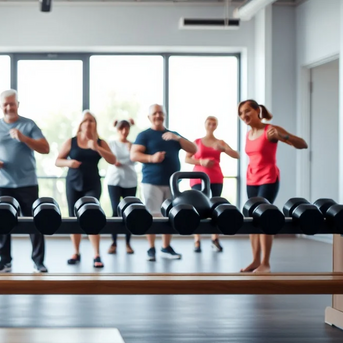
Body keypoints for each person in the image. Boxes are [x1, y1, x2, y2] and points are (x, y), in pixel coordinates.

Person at [0, 89, 50, 273]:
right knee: (1, 222)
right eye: (5, 104)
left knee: (35, 222)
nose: (9, 107)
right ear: (0, 106)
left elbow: (45, 148)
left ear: (18, 104)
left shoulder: (28, 125)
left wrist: (24, 138)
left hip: (27, 183)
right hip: (1, 184)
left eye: (12, 103)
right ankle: (4, 260)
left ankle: (38, 262)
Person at [238, 100, 308, 273]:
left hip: (268, 179)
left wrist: (284, 137)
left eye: (247, 111)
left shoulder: (270, 130)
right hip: (251, 180)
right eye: (240, 113)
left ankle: (265, 263)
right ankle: (255, 261)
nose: (244, 116)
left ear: (256, 111)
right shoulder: (248, 134)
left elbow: (302, 144)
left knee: (265, 218)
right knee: (252, 220)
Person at [130, 104, 197, 261]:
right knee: (152, 215)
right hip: (151, 182)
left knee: (170, 215)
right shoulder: (144, 135)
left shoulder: (173, 135)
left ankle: (166, 247)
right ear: (149, 117)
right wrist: (151, 158)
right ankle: (151, 248)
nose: (158, 116)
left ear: (165, 115)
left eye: (161, 113)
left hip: (172, 184)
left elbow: (193, 149)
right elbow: (134, 155)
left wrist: (178, 138)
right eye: (155, 113)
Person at [55, 110, 116, 269]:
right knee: (73, 217)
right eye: (85, 121)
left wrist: (96, 148)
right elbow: (58, 161)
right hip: (73, 183)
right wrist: (70, 163)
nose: (88, 123)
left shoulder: (100, 142)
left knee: (92, 216)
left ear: (95, 124)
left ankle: (96, 254)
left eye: (91, 120)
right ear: (80, 124)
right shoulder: (71, 141)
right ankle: (76, 252)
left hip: (92, 183)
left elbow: (113, 160)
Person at [184, 116, 239, 253]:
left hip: (216, 178)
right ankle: (197, 240)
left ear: (216, 126)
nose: (211, 125)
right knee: (198, 209)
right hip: (198, 179)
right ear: (205, 124)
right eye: (209, 123)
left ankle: (215, 239)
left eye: (214, 123)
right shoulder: (196, 142)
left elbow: (237, 155)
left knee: (215, 208)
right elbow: (186, 158)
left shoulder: (220, 142)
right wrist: (201, 162)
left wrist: (223, 149)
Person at [105, 118, 138, 255]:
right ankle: (113, 242)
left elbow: (135, 159)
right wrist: (119, 161)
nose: (124, 131)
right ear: (117, 129)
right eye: (121, 128)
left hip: (130, 181)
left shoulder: (133, 145)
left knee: (129, 212)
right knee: (115, 211)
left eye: (127, 128)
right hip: (114, 181)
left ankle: (128, 243)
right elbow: (113, 160)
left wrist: (124, 158)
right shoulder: (111, 144)